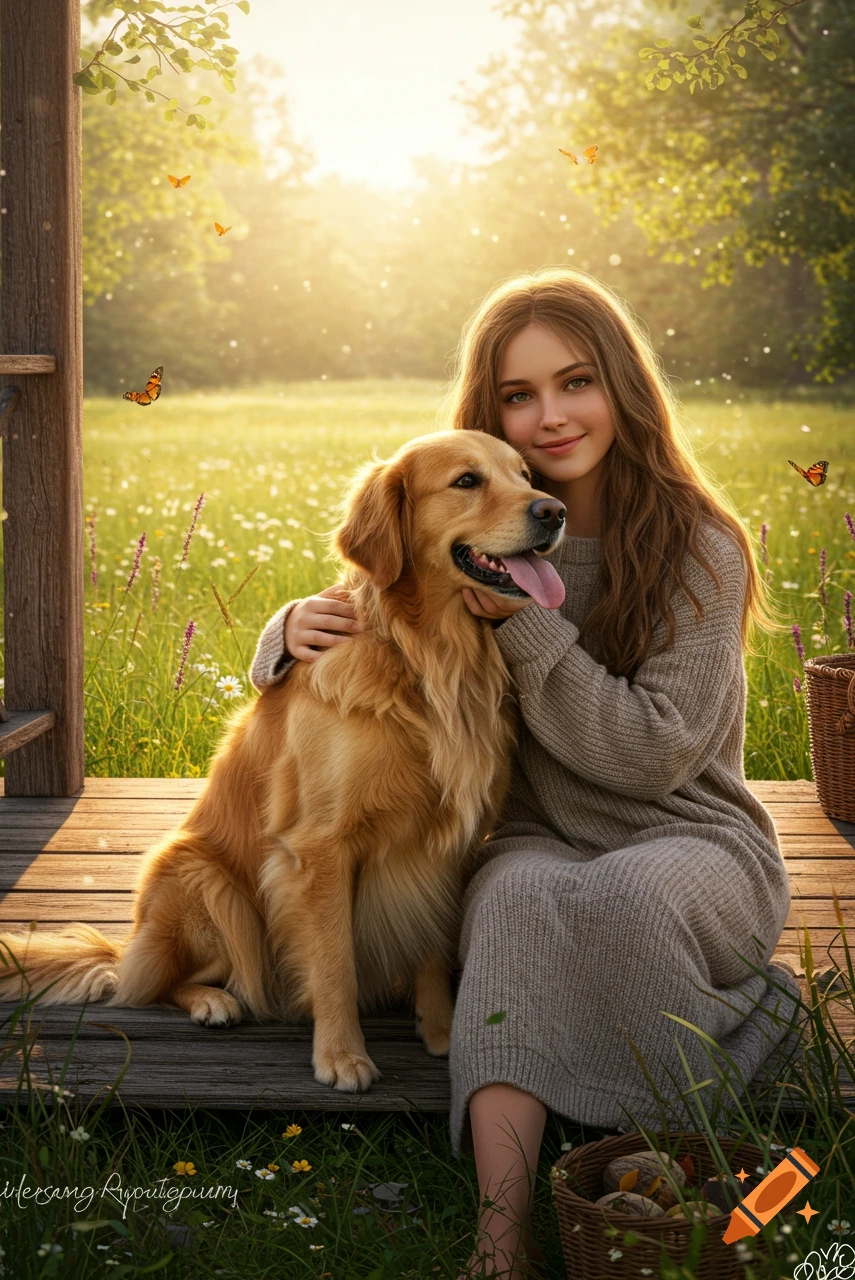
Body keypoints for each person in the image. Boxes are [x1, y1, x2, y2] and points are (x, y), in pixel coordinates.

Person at [248, 268, 802, 1279]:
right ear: (489, 412)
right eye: (518, 394)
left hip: (692, 838)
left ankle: (699, 1142)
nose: (550, 416)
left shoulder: (698, 546)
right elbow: (379, 603)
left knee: (626, 895)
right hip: (543, 838)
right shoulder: (473, 531)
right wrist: (282, 633)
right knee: (508, 904)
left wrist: (530, 626)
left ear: (621, 387)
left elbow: (651, 754)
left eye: (576, 381)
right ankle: (499, 1243)